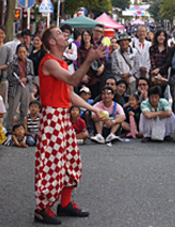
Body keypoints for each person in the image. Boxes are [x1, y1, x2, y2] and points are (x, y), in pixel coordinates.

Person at [34, 26, 107, 224]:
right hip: (51, 117)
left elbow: (70, 94)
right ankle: (43, 208)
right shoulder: (49, 62)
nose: (64, 35)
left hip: (62, 117)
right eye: (59, 33)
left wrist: (93, 110)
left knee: (71, 160)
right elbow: (74, 80)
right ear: (51, 42)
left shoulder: (61, 63)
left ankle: (64, 204)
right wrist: (90, 59)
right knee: (51, 164)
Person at [5, 44, 34, 133]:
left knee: (25, 108)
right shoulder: (12, 63)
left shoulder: (29, 62)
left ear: (27, 53)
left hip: (26, 86)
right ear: (17, 53)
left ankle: (22, 128)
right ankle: (9, 129)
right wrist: (16, 80)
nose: (22, 54)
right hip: (15, 87)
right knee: (12, 108)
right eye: (20, 52)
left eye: (24, 52)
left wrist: (26, 79)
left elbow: (32, 75)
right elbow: (9, 76)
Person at [77, 30, 105, 99]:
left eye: (88, 35)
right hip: (84, 77)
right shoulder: (79, 49)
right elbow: (78, 64)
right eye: (85, 35)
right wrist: (82, 75)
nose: (86, 37)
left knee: (94, 98)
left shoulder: (95, 48)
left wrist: (102, 66)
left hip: (95, 77)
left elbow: (102, 59)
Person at [149, 29, 169, 95]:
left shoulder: (168, 49)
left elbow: (167, 63)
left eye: (163, 36)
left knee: (162, 94)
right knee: (153, 94)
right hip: (153, 75)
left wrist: (159, 70)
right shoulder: (152, 48)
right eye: (159, 35)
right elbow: (152, 61)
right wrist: (156, 72)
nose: (161, 37)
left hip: (164, 75)